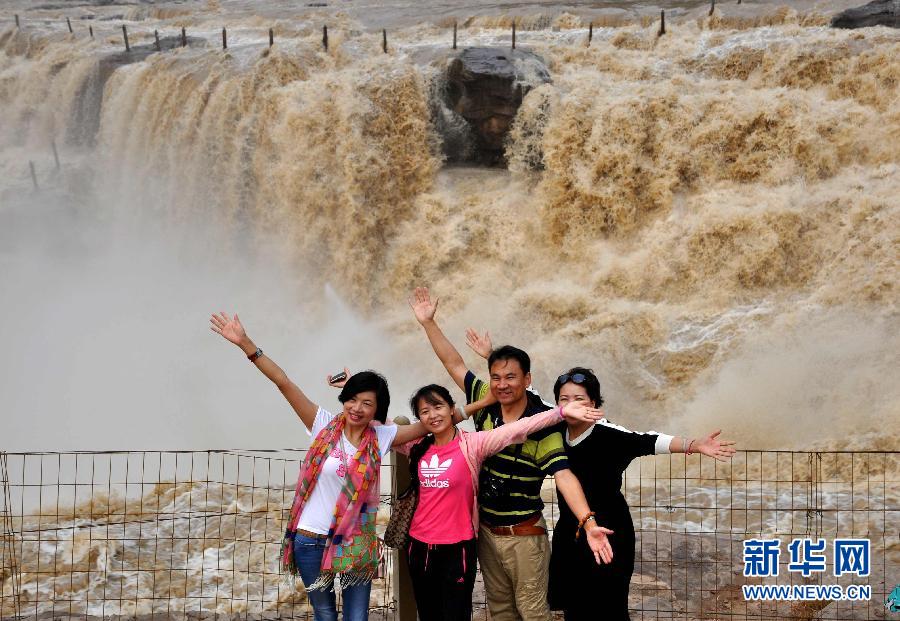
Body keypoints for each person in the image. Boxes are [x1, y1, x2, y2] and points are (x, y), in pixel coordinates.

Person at [467, 332, 737, 621]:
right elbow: (520, 388)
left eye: (580, 399)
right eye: (565, 399)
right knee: (573, 604)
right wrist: (491, 355)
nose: (572, 404)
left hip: (609, 530)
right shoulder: (553, 424)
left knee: (608, 605)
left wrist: (694, 445)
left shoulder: (609, 435)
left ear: (594, 403)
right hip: (571, 531)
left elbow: (649, 440)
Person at [209, 312, 432, 621]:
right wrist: (247, 344)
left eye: (367, 403)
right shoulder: (323, 423)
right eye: (351, 399)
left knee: (357, 617)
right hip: (310, 538)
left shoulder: (382, 435)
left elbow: (429, 425)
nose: (357, 408)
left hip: (355, 540)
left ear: (377, 410)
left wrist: (475, 407)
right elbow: (283, 383)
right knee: (324, 615)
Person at [408, 288, 612, 621]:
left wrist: (588, 522)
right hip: (486, 533)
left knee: (532, 613)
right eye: (496, 378)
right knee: (500, 612)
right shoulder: (486, 403)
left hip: (524, 535)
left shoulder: (542, 422)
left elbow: (563, 474)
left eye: (511, 378)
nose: (502, 385)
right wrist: (428, 322)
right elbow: (453, 363)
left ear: (527, 379)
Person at [395, 383, 607, 621]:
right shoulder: (416, 446)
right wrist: (351, 391)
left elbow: (518, 428)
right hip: (419, 544)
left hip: (458, 546)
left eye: (438, 407)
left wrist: (561, 411)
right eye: (425, 412)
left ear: (452, 409)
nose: (433, 415)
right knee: (428, 612)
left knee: (456, 614)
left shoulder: (473, 444)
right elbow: (377, 433)